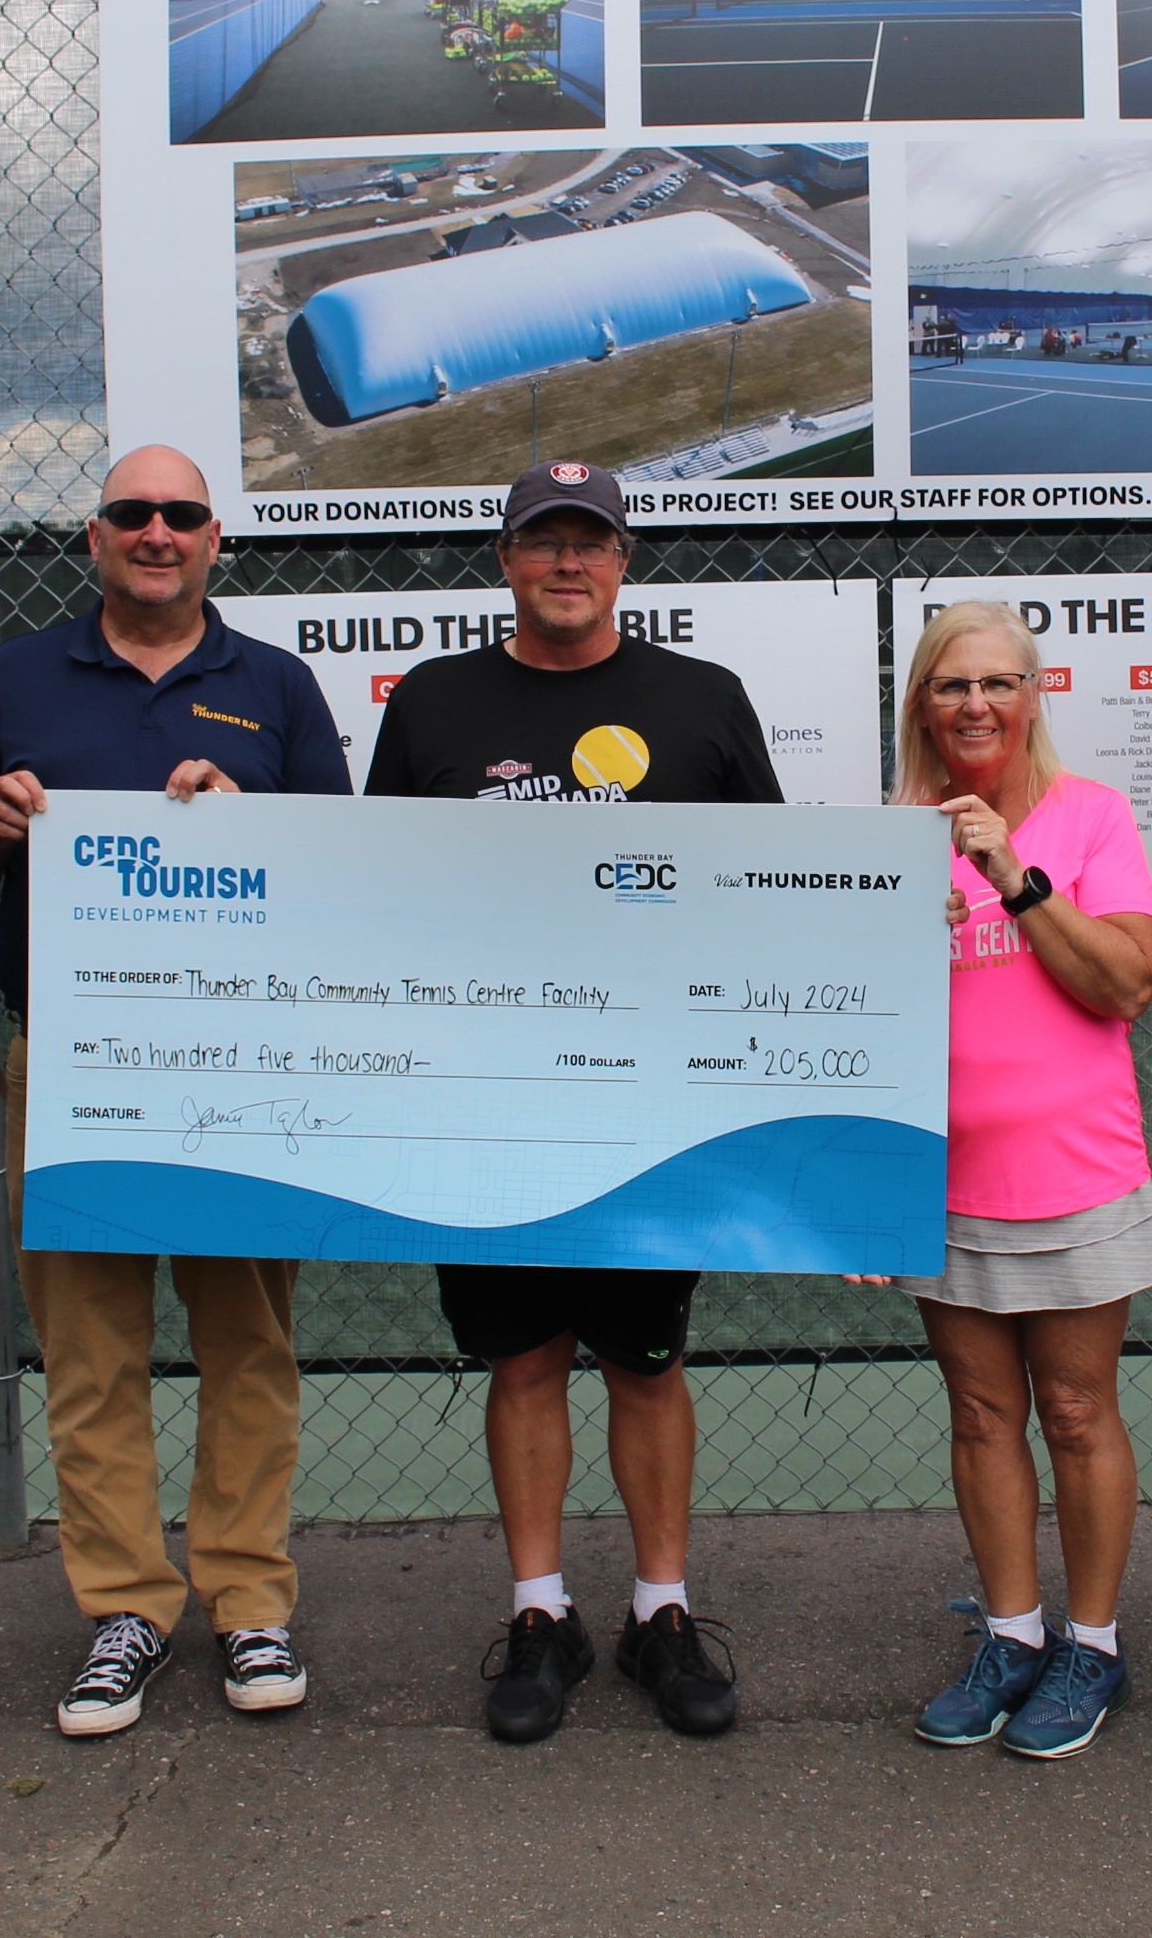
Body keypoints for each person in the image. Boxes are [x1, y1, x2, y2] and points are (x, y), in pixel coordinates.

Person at [0, 446, 352, 1737]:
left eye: (180, 514)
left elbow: (340, 869)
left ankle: (246, 1598)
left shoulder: (272, 684)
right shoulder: (15, 678)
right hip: (72, 1056)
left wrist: (250, 819)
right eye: (132, 515)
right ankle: (123, 1604)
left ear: (215, 538)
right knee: (92, 1351)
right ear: (93, 538)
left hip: (238, 1057)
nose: (156, 532)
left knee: (246, 1345)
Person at [365, 461, 779, 1746]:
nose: (565, 564)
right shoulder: (433, 702)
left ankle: (662, 1609)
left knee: (644, 1362)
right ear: (504, 560)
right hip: (484, 1100)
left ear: (622, 560)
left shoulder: (701, 700)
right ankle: (541, 1611)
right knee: (526, 1357)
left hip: (651, 1106)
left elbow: (773, 887)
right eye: (541, 542)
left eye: (587, 542)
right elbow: (373, 886)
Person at [853, 602, 1152, 1759]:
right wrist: (873, 1188)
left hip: (1075, 1176)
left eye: (996, 681)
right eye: (948, 684)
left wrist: (1010, 871)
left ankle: (1092, 1645)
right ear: (920, 704)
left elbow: (1125, 987)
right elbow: (862, 1027)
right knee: (982, 1414)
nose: (973, 704)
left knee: (1077, 1413)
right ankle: (1013, 1635)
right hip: (946, 1185)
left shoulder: (1086, 818)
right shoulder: (886, 836)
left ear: (1033, 695)